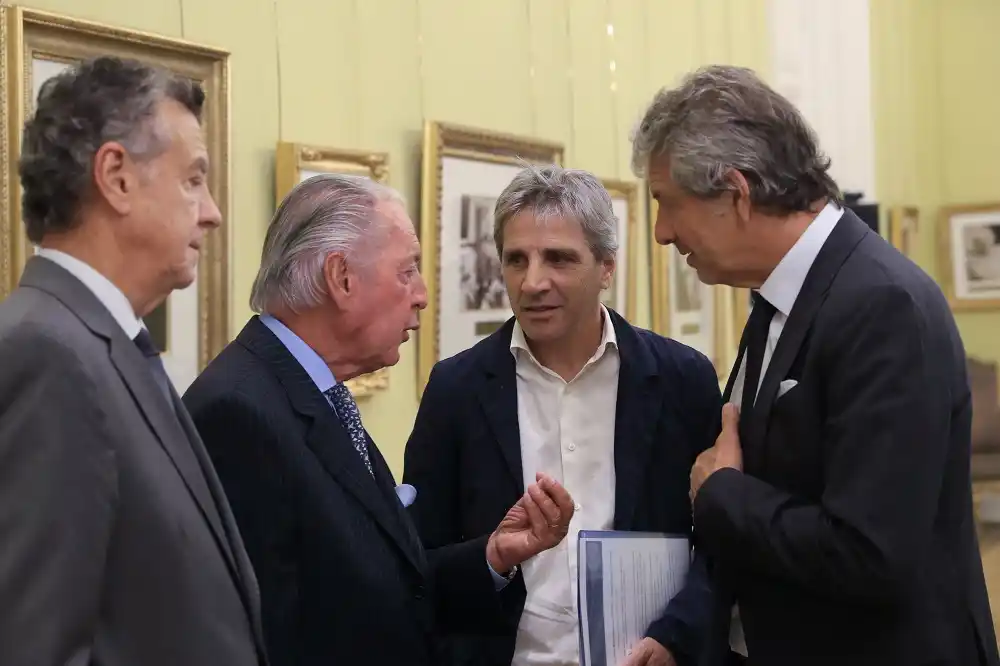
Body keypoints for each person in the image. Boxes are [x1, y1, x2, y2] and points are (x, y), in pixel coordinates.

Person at [631, 64, 1000, 666]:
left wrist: (721, 495)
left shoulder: (882, 305)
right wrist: (682, 634)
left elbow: (871, 552)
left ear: (735, 194)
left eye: (668, 204)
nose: (662, 233)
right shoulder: (782, 298)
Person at [182, 173, 577, 666]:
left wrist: (494, 555)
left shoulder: (315, 395)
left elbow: (378, 590)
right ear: (341, 278)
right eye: (406, 271)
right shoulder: (239, 414)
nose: (422, 295)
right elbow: (263, 638)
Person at [0, 57, 266, 665]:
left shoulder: (105, 345)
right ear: (116, 177)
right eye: (193, 179)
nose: (212, 212)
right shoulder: (47, 357)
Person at [403, 165, 724, 666]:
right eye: (516, 260)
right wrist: (493, 558)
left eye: (558, 258)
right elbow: (418, 563)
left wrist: (677, 638)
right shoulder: (456, 390)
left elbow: (721, 548)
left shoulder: (682, 380)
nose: (532, 282)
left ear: (607, 267)